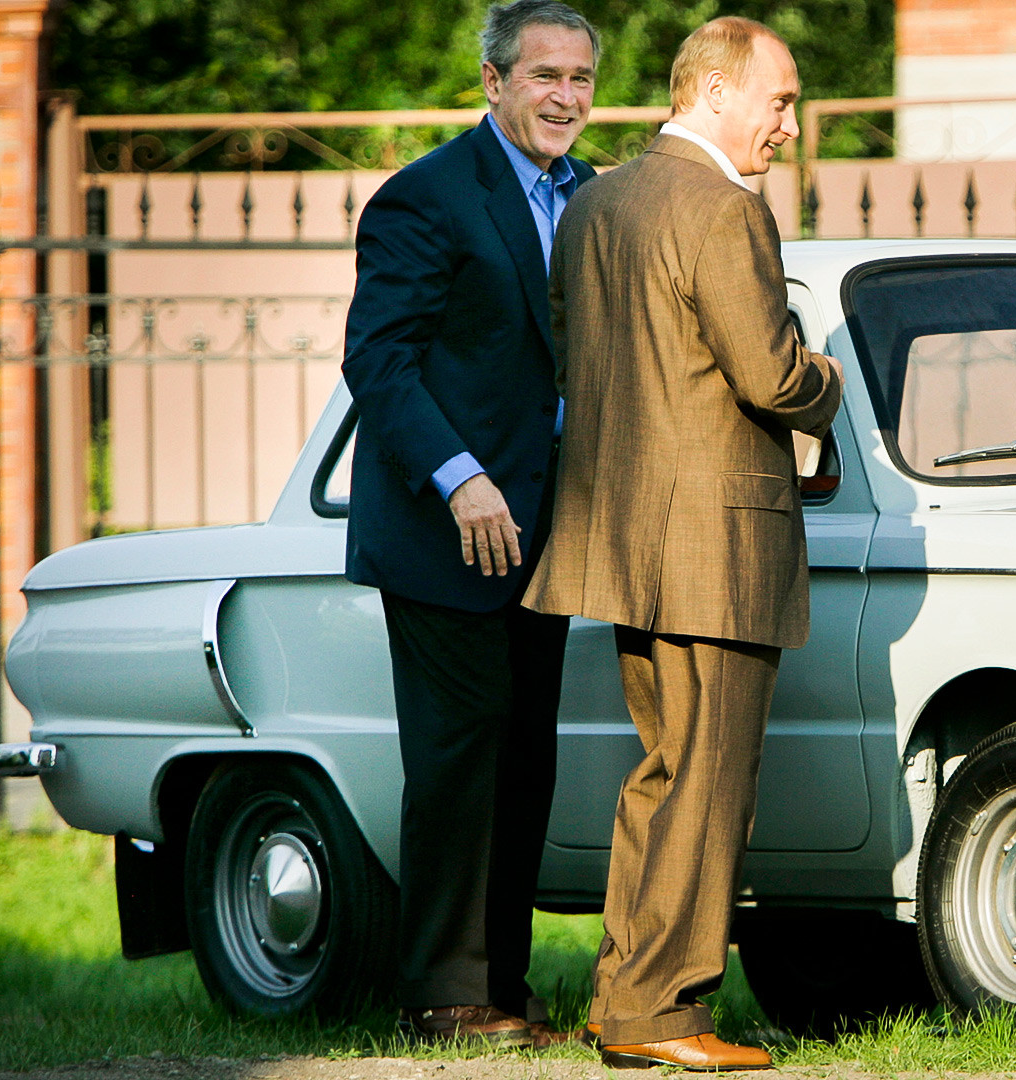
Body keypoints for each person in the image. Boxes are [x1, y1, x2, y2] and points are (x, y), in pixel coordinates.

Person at [523, 15, 844, 1071]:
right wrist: (832, 381)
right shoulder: (723, 209)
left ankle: (624, 999)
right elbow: (770, 375)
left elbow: (581, 359)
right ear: (713, 93)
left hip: (626, 536)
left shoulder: (596, 204)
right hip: (717, 545)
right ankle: (664, 1016)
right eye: (779, 100)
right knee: (705, 783)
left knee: (662, 775)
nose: (787, 125)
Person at [339, 0, 597, 1048]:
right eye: (545, 76)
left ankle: (501, 987)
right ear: (493, 83)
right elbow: (379, 360)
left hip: (547, 535)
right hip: (446, 530)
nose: (566, 97)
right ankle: (444, 994)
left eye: (581, 78)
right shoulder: (427, 198)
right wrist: (460, 477)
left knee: (524, 757)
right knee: (458, 761)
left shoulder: (593, 200)